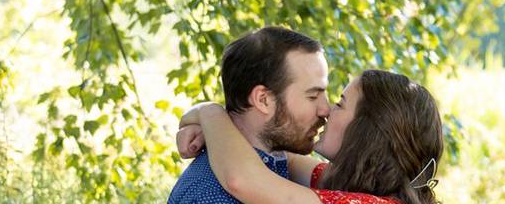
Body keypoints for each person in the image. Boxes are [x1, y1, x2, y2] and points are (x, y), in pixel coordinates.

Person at [178, 69, 443, 204]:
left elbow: (242, 179)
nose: (326, 110)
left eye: (340, 103)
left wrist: (209, 111)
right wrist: (207, 123)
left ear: (367, 131)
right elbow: (264, 147)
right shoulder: (350, 182)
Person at [166, 26, 331, 203]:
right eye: (313, 96)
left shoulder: (275, 161)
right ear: (263, 100)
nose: (326, 110)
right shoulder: (211, 196)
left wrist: (207, 113)